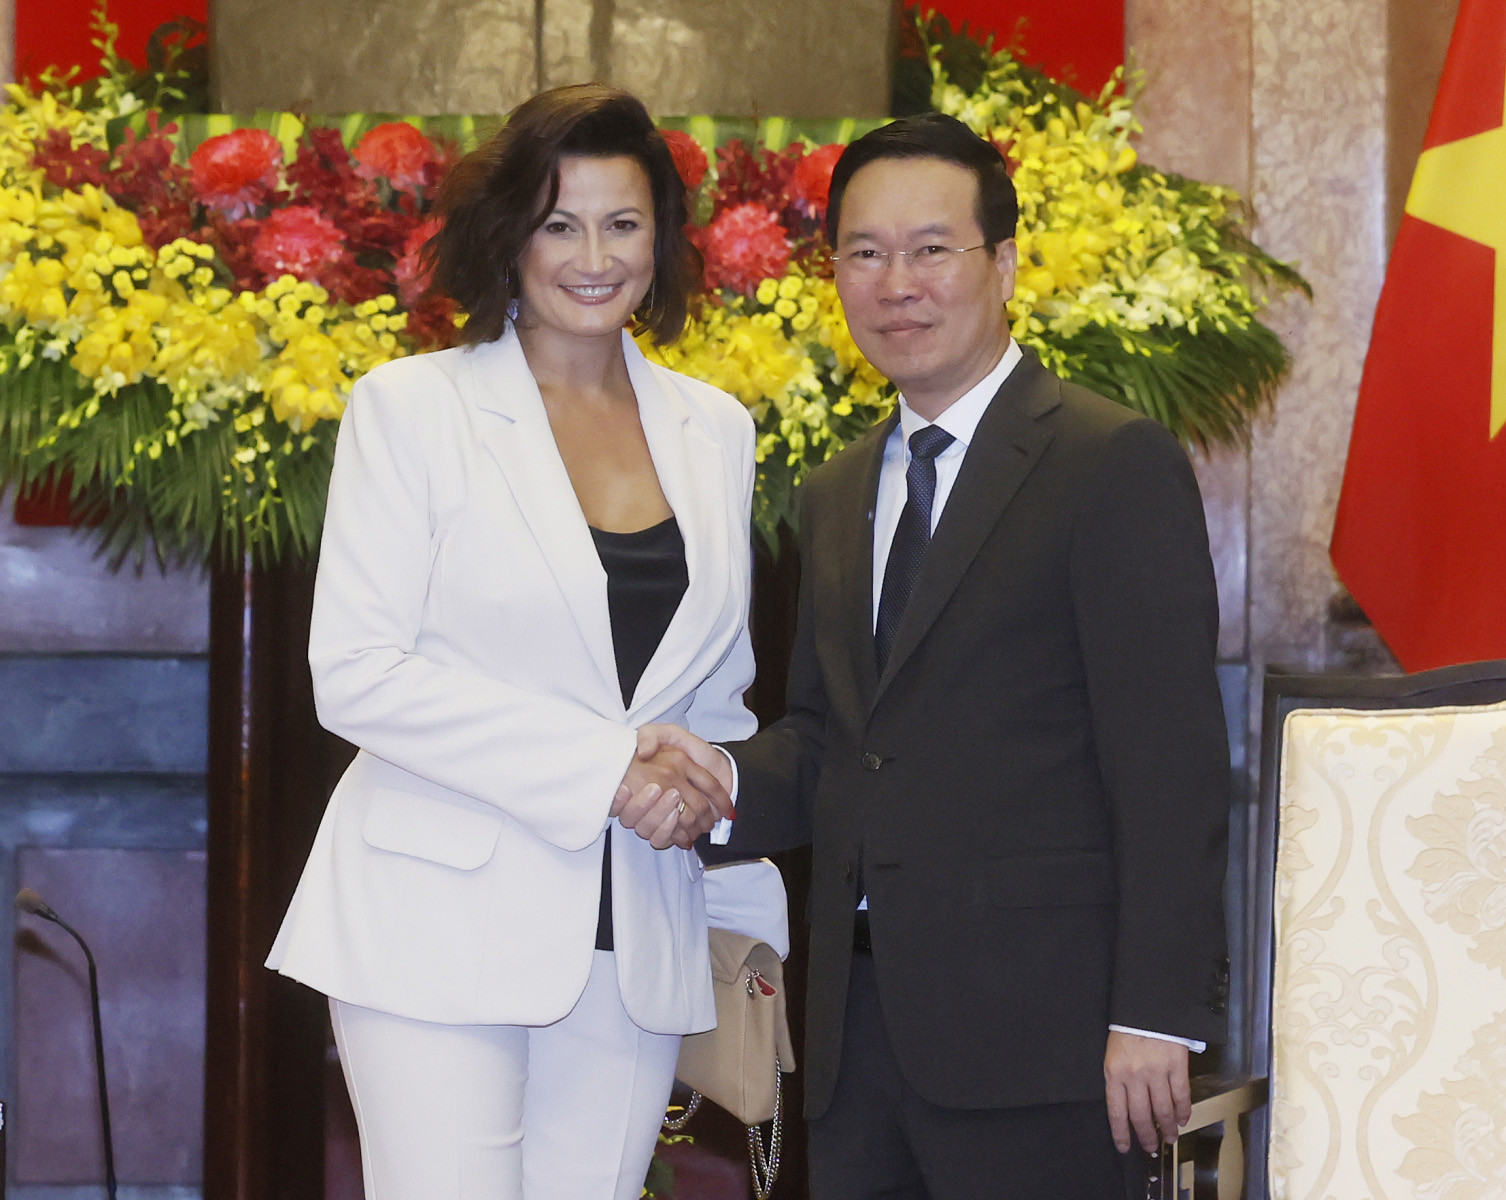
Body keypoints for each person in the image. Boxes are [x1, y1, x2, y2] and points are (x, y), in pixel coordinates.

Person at [633, 113, 1231, 1199]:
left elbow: (1170, 761)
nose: (896, 283)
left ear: (1004, 264)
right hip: (857, 1042)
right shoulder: (836, 491)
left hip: (1050, 1045)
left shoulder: (1108, 461)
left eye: (930, 250)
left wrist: (1157, 1013)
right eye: (865, 253)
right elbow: (835, 741)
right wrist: (714, 782)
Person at [267, 84, 785, 1200]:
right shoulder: (413, 408)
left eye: (623, 223)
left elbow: (715, 695)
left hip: (637, 923)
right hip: (435, 919)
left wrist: (709, 812)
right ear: (509, 237)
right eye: (560, 224)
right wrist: (606, 771)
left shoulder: (716, 429)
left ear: (662, 237)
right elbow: (356, 674)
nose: (594, 258)